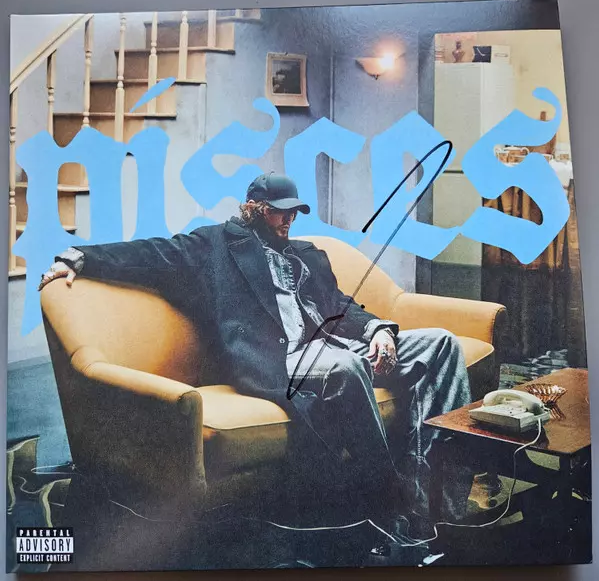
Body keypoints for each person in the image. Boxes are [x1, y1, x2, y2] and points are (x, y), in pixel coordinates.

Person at [39, 172, 472, 544]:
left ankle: (435, 494)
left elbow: (340, 306)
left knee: (442, 343)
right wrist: (79, 258)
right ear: (252, 209)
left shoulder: (306, 254)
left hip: (334, 346)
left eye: (293, 212)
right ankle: (384, 500)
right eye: (278, 212)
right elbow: (150, 253)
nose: (288, 220)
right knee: (347, 366)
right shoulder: (214, 246)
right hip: (279, 360)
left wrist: (378, 330)